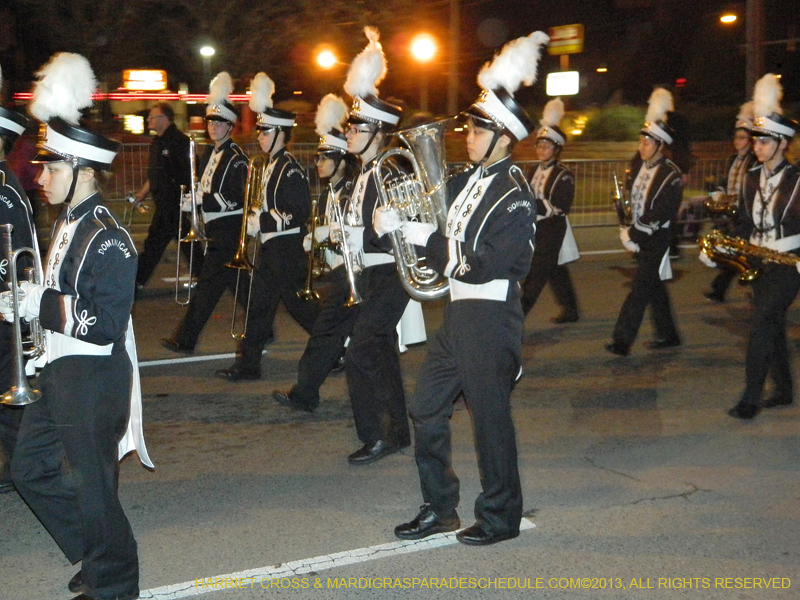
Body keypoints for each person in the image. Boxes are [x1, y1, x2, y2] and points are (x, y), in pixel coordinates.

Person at [387, 31, 548, 546]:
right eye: (471, 128)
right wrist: (395, 220)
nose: (467, 136)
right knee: (425, 407)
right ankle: (440, 508)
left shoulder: (515, 195)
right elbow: (428, 206)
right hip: (458, 315)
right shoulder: (467, 180)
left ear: (503, 136)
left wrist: (425, 238)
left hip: (491, 318)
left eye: (478, 130)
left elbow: (482, 264)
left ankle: (501, 517)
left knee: (489, 422)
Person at [1, 52, 151, 600]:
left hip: (93, 376)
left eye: (53, 169)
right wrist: (24, 303)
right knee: (30, 471)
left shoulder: (110, 237)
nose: (41, 178)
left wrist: (39, 303)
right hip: (59, 369)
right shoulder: (68, 220)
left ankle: (115, 582)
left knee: (95, 488)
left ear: (85, 172)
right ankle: (94, 551)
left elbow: (105, 323)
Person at [705, 74, 800, 420]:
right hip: (758, 262)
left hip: (788, 263)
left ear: (782, 143)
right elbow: (746, 223)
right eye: (755, 140)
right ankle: (784, 390)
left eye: (764, 141)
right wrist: (723, 248)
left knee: (761, 323)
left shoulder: (797, 180)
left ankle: (750, 398)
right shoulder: (749, 179)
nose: (757, 147)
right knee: (771, 325)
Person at [216, 72, 318, 380]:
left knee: (297, 307)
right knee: (261, 308)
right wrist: (255, 217)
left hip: (287, 248)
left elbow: (299, 211)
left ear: (280, 134)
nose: (259, 136)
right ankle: (248, 366)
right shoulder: (270, 165)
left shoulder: (290, 169)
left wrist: (262, 220)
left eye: (265, 132)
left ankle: (334, 347)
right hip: (272, 247)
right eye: (260, 131)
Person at [272, 94, 358, 411]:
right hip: (338, 274)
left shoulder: (351, 192)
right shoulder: (326, 196)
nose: (317, 163)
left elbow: (355, 234)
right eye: (317, 157)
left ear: (341, 161)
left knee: (326, 334)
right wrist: (315, 241)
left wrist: (329, 236)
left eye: (324, 158)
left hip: (353, 274)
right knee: (357, 342)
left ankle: (305, 393)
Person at [160, 72, 248, 354]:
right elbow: (204, 185)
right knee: (239, 285)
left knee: (208, 286)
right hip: (213, 227)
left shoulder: (237, 158)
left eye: (219, 123)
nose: (213, 127)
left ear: (230, 126)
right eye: (211, 122)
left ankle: (185, 339)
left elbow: (236, 198)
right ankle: (262, 325)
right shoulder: (209, 153)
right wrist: (193, 199)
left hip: (230, 228)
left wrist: (203, 201)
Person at [605, 87, 683, 357]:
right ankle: (669, 335)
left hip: (655, 237)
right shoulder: (639, 165)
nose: (641, 147)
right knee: (654, 287)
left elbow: (661, 211)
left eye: (647, 143)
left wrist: (634, 235)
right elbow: (631, 197)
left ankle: (622, 341)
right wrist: (624, 217)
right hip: (638, 232)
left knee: (639, 289)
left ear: (660, 145)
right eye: (640, 141)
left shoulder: (671, 174)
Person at [0, 62, 37, 494]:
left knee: (7, 390)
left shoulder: (7, 191)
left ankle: (24, 467)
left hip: (4, 307)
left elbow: (19, 253)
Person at [519, 97, 580, 323]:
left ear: (556, 149)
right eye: (539, 145)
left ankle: (516, 318)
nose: (541, 149)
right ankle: (571, 310)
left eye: (547, 146)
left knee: (536, 275)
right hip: (536, 229)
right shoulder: (532, 170)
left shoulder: (564, 175)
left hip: (552, 230)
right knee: (555, 270)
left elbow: (559, 206)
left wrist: (528, 202)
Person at [132, 102, 193, 292]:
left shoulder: (179, 141)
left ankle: (137, 281)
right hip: (164, 202)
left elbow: (188, 172)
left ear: (165, 119)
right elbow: (156, 174)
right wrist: (142, 193)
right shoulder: (157, 142)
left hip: (174, 202)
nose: (148, 120)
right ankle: (207, 275)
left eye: (153, 117)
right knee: (187, 245)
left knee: (155, 244)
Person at [703, 102, 756, 303]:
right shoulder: (733, 159)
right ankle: (720, 290)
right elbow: (725, 181)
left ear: (750, 140)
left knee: (744, 256)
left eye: (742, 137)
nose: (737, 141)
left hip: (748, 216)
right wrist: (719, 192)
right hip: (733, 214)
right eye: (736, 137)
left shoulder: (754, 161)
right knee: (735, 254)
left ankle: (724, 290)